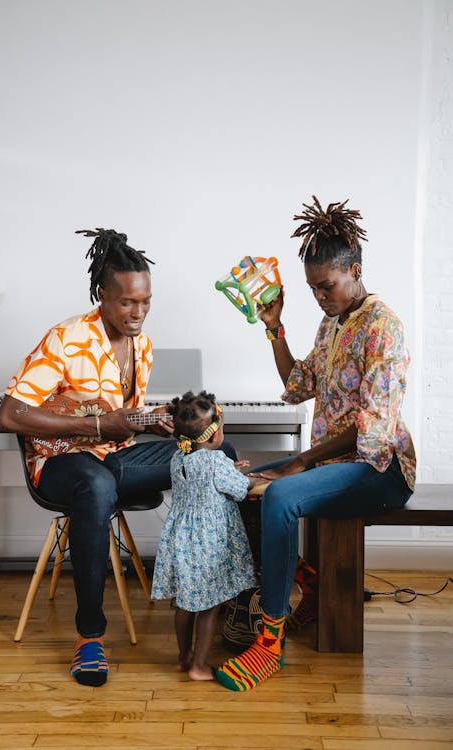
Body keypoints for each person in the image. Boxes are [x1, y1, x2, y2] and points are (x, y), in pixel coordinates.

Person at [0, 228, 238, 687]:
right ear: (101, 295)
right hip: (61, 465)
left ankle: (232, 599)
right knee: (97, 485)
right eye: (128, 302)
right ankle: (90, 637)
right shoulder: (65, 339)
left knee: (217, 451)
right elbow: (11, 414)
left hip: (115, 457)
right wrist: (97, 427)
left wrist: (154, 422)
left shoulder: (141, 345)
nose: (139, 312)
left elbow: (122, 417)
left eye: (146, 301)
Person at [215, 196, 416, 691]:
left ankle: (269, 642)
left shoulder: (382, 326)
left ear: (355, 270)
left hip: (380, 467)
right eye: (313, 290)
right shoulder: (333, 323)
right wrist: (275, 328)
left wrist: (300, 463)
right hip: (337, 459)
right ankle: (309, 582)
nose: (320, 298)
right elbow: (299, 383)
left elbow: (374, 424)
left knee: (281, 492)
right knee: (237, 481)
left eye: (326, 286)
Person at [151, 390, 261, 680]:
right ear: (213, 435)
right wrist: (244, 478)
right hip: (208, 544)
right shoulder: (215, 462)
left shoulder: (179, 458)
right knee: (210, 608)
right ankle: (199, 666)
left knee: (185, 604)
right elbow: (239, 490)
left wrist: (228, 469)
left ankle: (183, 656)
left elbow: (202, 478)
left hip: (182, 539)